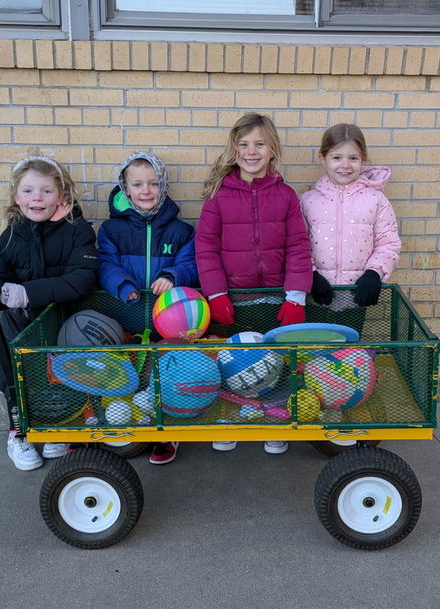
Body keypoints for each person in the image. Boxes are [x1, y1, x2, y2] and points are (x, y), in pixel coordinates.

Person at [0, 156, 98, 471]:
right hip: (20, 324)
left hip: (60, 319)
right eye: (27, 191)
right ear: (16, 197)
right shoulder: (8, 237)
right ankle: (20, 434)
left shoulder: (77, 231)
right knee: (17, 378)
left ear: (61, 195)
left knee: (59, 377)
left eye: (45, 191)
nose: (36, 198)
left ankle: (57, 428)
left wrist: (28, 292)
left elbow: (81, 279)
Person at [195, 112, 312, 455]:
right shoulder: (218, 195)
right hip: (234, 299)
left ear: (272, 149)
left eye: (259, 144)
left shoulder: (286, 196)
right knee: (233, 364)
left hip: (276, 300)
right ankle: (231, 416)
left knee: (274, 363)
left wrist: (296, 297)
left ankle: (273, 420)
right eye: (244, 144)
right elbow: (205, 247)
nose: (251, 151)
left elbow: (298, 247)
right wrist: (215, 294)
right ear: (234, 150)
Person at [97, 151, 198, 465]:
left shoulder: (180, 231)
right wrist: (122, 285)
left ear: (163, 186)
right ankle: (123, 429)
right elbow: (105, 265)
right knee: (125, 375)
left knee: (164, 374)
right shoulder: (112, 230)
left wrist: (172, 276)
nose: (146, 191)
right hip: (126, 313)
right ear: (125, 189)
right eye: (137, 184)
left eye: (153, 183)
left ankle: (167, 433)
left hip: (165, 322)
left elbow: (191, 264)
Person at [300, 123, 401, 332]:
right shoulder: (307, 201)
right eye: (337, 157)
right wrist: (311, 274)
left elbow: (388, 243)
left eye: (353, 158)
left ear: (363, 159)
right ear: (322, 159)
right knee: (313, 357)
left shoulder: (376, 200)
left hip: (355, 297)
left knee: (347, 357)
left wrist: (374, 273)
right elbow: (296, 245)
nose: (345, 165)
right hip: (315, 296)